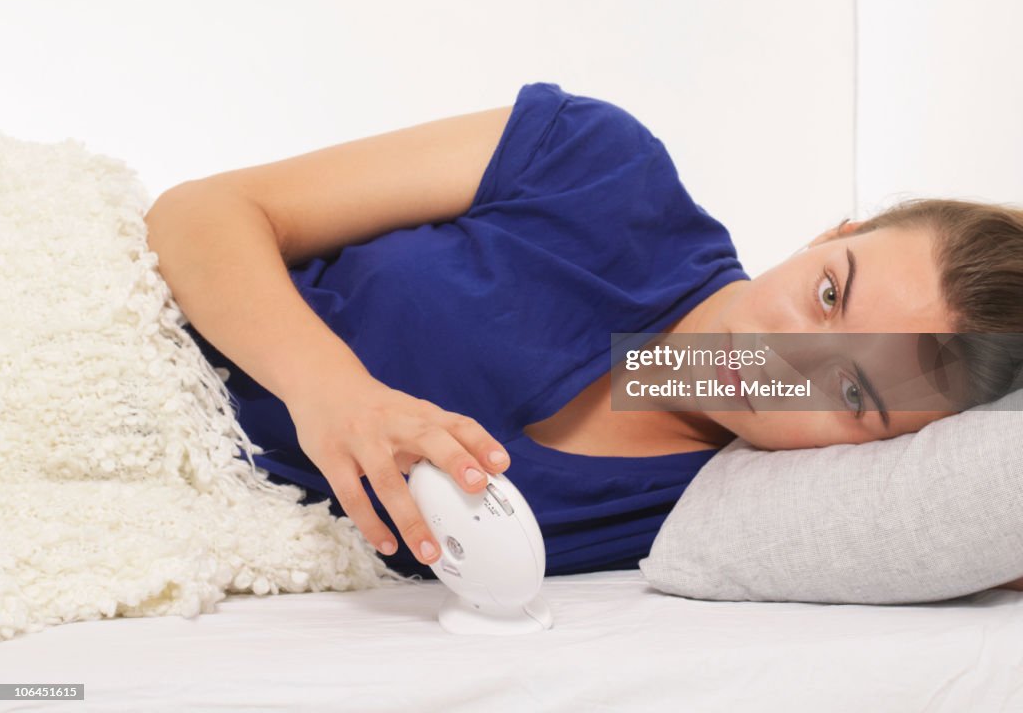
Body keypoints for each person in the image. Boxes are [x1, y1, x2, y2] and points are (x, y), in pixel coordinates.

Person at [145, 82, 1023, 582]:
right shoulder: (598, 167)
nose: (784, 358)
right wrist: (330, 392)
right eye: (830, 295)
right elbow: (204, 212)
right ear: (829, 238)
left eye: (855, 389)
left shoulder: (697, 518)